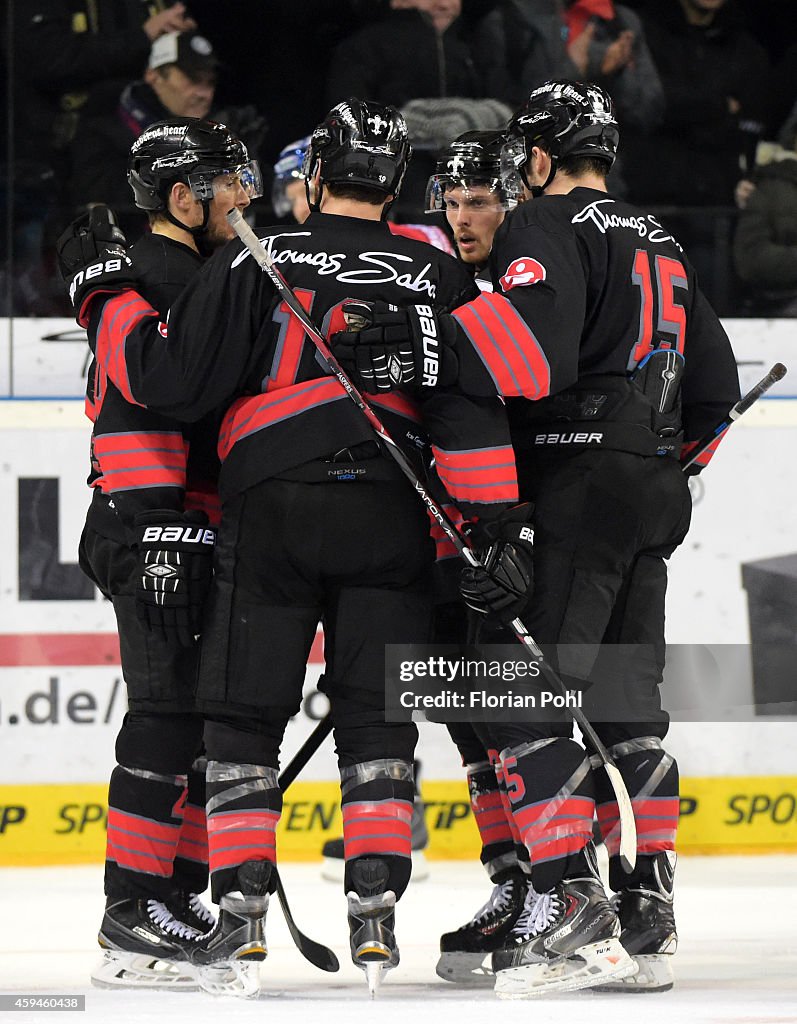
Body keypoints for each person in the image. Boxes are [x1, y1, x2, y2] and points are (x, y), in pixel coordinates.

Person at [58, 98, 518, 998]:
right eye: (229, 180)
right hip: (382, 516)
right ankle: (374, 904)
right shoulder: (434, 270)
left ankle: (236, 910)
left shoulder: (251, 260)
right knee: (374, 717)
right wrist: (489, 525)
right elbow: (480, 400)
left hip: (261, 512)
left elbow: (172, 382)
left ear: (315, 179)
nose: (247, 193)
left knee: (235, 717)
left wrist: (97, 293)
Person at [330, 79, 741, 996]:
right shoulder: (661, 237)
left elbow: (531, 362)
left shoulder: (541, 229)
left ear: (540, 161)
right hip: (649, 491)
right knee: (629, 703)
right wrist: (660, 461)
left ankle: (568, 906)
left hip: (574, 484)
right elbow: (713, 389)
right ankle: (645, 912)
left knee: (514, 692)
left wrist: (428, 349)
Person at [58, 117, 259, 990]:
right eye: (230, 183)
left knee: (198, 725)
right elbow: (146, 401)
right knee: (167, 717)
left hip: (179, 521)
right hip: (153, 525)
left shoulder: (173, 272)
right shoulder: (159, 275)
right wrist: (158, 528)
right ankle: (135, 908)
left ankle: (171, 898)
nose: (246, 198)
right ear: (184, 198)